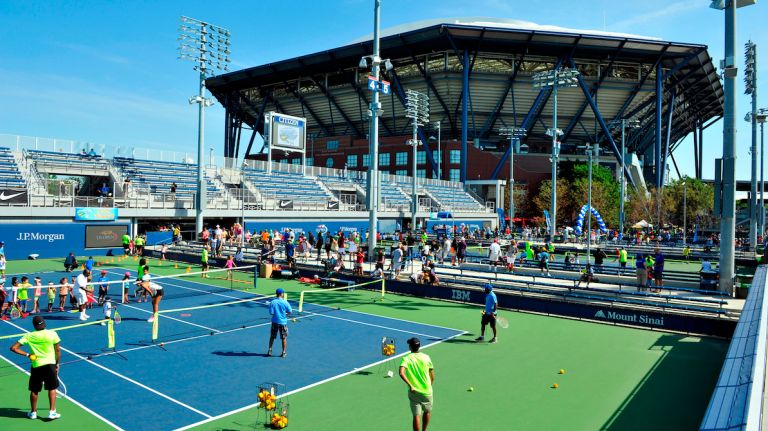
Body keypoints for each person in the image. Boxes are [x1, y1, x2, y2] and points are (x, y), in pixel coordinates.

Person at [10, 316, 62, 420]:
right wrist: (57, 364)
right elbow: (57, 351)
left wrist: (28, 355)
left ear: (34, 325)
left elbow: (13, 348)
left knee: (34, 390)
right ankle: (52, 412)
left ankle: (33, 413)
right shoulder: (52, 334)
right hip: (50, 365)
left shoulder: (29, 336)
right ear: (44, 324)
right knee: (52, 388)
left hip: (36, 366)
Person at [399, 337, 435, 431]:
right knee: (427, 412)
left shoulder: (406, 358)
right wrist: (429, 386)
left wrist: (411, 385)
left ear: (410, 347)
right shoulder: (426, 357)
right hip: (427, 391)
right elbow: (432, 376)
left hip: (414, 392)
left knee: (416, 415)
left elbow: (401, 373)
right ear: (419, 346)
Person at [267, 288, 292, 357]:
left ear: (276, 294)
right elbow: (290, 311)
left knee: (272, 337)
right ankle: (283, 353)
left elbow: (271, 313)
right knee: (283, 338)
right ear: (282, 294)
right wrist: (285, 314)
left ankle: (269, 350)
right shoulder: (285, 302)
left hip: (275, 322)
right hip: (283, 323)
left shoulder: (272, 302)